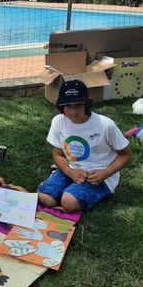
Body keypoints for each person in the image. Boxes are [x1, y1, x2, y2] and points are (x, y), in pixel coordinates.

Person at [38, 79, 131, 213]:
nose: (73, 111)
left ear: (87, 104)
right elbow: (57, 154)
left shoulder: (106, 125)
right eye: (68, 106)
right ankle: (70, 186)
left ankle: (100, 191)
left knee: (68, 202)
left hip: (99, 176)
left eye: (78, 105)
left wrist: (106, 173)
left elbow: (126, 155)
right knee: (46, 199)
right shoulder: (59, 121)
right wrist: (70, 171)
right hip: (72, 169)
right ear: (60, 106)